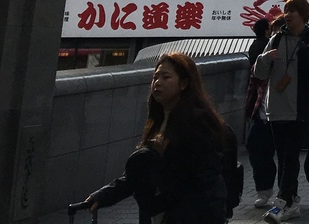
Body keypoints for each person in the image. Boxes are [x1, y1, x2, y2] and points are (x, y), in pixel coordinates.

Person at [87, 53, 233, 224]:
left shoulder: (198, 123)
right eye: (155, 77)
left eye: (166, 77)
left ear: (184, 83)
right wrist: (103, 196)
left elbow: (202, 180)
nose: (157, 83)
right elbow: (141, 172)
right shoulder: (159, 119)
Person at [254, 0, 309, 224]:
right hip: (276, 108)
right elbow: (259, 74)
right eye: (287, 10)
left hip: (300, 110)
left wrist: (304, 53)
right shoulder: (275, 39)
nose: (289, 13)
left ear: (303, 15)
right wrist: (264, 59)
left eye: (293, 10)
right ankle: (292, 202)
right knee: (283, 158)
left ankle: (280, 204)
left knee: (291, 157)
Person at [244, 19, 277, 207]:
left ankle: (285, 194)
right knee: (257, 146)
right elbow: (256, 78)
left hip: (279, 112)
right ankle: (265, 189)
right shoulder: (264, 50)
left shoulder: (256, 47)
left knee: (264, 149)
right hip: (262, 109)